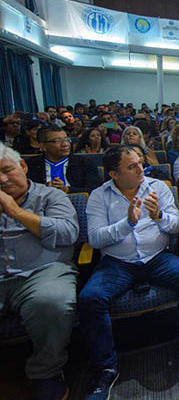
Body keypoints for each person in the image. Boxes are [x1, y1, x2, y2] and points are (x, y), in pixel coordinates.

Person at [79, 146, 179, 397]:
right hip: (118, 262)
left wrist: (159, 215)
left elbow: (175, 226)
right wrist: (127, 223)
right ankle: (106, 367)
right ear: (114, 174)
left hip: (157, 257)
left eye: (140, 163)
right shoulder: (99, 195)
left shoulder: (158, 187)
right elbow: (95, 238)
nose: (141, 169)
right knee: (90, 298)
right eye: (132, 166)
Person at [0, 144, 79, 400]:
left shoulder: (50, 196)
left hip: (43, 272)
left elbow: (68, 233)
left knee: (51, 302)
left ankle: (46, 372)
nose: (2, 180)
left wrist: (16, 212)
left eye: (7, 170)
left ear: (23, 166)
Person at [26, 125, 100, 194]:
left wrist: (67, 190)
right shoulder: (30, 165)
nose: (65, 144)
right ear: (43, 146)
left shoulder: (85, 163)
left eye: (66, 139)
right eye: (57, 141)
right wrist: (44, 188)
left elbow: (94, 191)